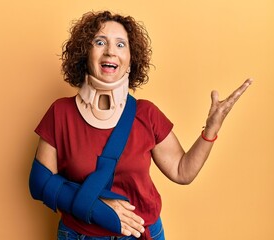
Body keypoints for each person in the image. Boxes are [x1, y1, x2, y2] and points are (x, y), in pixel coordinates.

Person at [29, 11, 252, 240]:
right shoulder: (61, 113)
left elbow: (182, 171)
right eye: (99, 42)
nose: (110, 51)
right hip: (81, 234)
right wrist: (97, 206)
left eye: (120, 44)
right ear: (84, 52)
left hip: (142, 233)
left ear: (130, 59)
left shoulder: (147, 114)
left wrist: (211, 129)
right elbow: (40, 182)